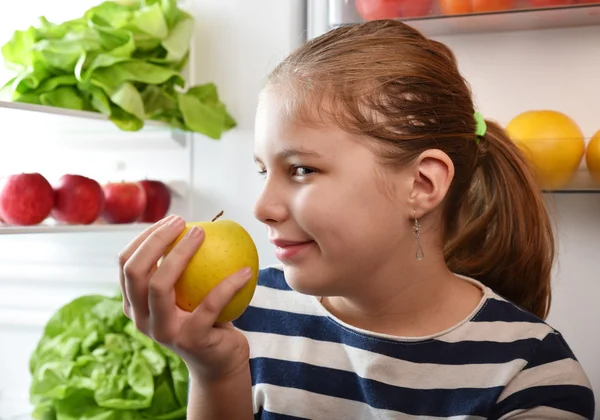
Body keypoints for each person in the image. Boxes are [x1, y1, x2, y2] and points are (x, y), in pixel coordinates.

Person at [118, 19, 595, 420]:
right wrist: (214, 373)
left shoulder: (531, 373)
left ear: (422, 185)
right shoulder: (245, 320)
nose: (262, 206)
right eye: (264, 170)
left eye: (302, 169)